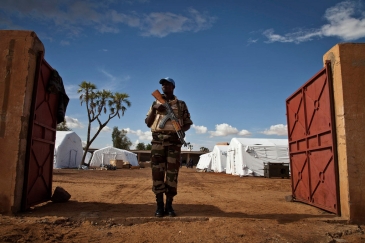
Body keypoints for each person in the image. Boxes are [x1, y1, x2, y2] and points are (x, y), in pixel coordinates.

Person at [145, 77, 193, 217]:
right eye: (163, 84)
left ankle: (169, 206)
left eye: (168, 84)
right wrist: (155, 109)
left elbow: (188, 123)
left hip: (174, 142)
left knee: (172, 175)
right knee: (157, 174)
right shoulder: (155, 102)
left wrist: (180, 129)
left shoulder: (181, 104)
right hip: (158, 142)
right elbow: (148, 123)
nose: (165, 86)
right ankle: (159, 206)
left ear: (173, 87)